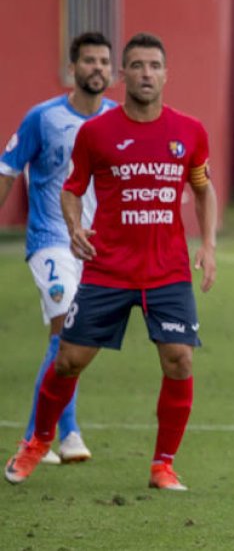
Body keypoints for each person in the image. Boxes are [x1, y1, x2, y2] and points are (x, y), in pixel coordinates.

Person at [4, 33, 218, 493]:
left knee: (179, 361)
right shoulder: (97, 132)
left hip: (168, 272)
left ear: (166, 73)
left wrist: (210, 245)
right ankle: (39, 441)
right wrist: (75, 226)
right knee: (68, 360)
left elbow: (203, 187)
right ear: (124, 75)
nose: (146, 74)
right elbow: (71, 188)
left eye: (154, 66)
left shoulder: (189, 131)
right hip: (108, 270)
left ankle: (163, 465)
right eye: (137, 66)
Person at [1, 32, 119, 466]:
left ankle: (41, 432)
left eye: (104, 62)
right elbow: (7, 169)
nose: (97, 69)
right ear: (73, 69)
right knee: (64, 325)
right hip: (51, 240)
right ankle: (62, 433)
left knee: (76, 338)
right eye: (89, 61)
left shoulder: (116, 120)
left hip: (96, 247)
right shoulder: (43, 118)